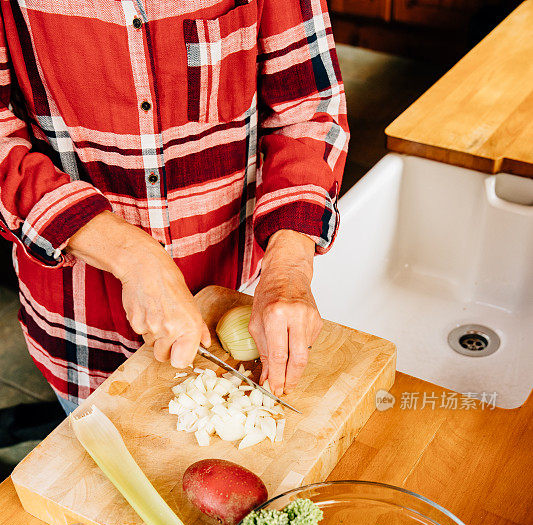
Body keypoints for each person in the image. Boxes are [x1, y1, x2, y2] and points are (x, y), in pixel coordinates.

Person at [0, 1, 348, 415]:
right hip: (84, 336)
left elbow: (309, 110)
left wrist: (289, 268)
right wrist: (133, 256)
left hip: (239, 291)